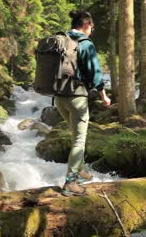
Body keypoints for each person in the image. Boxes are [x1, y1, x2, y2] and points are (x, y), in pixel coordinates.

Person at [56, 10, 111, 196]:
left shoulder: (60, 39)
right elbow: (95, 73)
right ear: (86, 24)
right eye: (91, 28)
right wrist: (104, 96)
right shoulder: (85, 43)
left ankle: (79, 169)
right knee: (79, 140)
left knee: (74, 135)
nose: (92, 31)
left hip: (58, 97)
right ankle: (71, 182)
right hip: (76, 97)